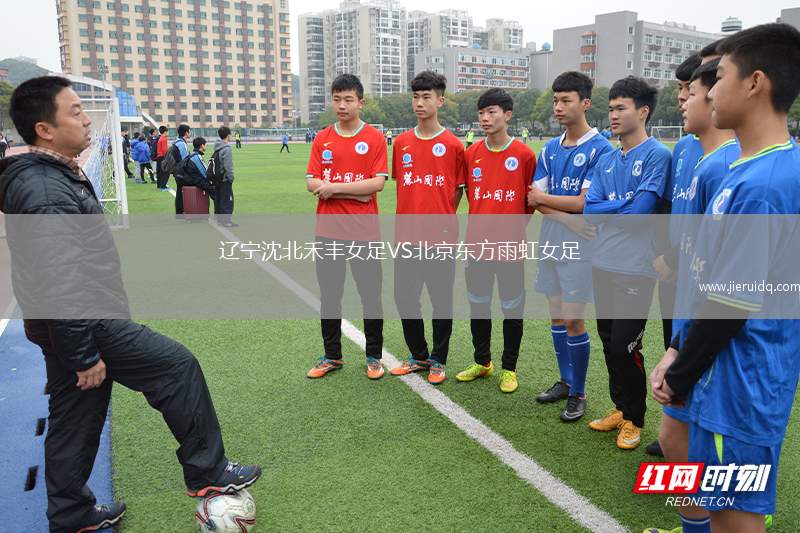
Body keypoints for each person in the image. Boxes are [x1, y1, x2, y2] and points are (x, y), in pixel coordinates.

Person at [0, 76, 261, 533]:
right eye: (75, 111)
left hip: (64, 323)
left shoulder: (49, 173)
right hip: (85, 321)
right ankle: (208, 473)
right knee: (177, 367)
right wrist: (83, 354)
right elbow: (59, 280)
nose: (86, 118)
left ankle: (71, 515)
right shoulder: (43, 191)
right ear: (45, 128)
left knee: (76, 416)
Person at [651, 23, 800, 533]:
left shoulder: (765, 181)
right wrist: (678, 348)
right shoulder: (745, 169)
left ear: (755, 83)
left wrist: (680, 373)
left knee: (733, 519)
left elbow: (731, 305)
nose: (709, 90)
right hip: (723, 375)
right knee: (712, 505)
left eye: (721, 77)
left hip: (739, 382)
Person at [643, 58, 740, 533]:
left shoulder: (735, 168)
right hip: (691, 318)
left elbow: (737, 282)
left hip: (718, 335)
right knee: (677, 438)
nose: (682, 98)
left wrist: (685, 348)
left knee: (705, 448)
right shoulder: (698, 156)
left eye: (694, 88)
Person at [582, 76, 671, 450]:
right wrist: (625, 204)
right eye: (611, 108)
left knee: (625, 345)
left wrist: (615, 209)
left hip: (636, 267)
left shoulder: (658, 155)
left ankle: (635, 417)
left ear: (643, 111)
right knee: (608, 341)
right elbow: (590, 209)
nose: (613, 115)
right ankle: (621, 407)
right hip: (603, 262)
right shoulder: (607, 157)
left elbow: (642, 215)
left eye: (621, 108)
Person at [528, 72, 614, 421]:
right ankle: (565, 381)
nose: (559, 107)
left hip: (580, 248)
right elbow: (534, 200)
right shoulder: (549, 149)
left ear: (585, 103)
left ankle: (579, 391)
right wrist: (566, 216)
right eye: (556, 100)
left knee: (575, 319)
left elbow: (584, 203)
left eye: (566, 100)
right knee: (557, 315)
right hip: (553, 240)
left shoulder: (601, 149)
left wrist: (557, 205)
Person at [304, 74, 388, 380]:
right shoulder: (322, 138)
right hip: (327, 232)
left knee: (371, 296)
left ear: (360, 102)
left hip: (364, 233)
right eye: (337, 98)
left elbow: (376, 183)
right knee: (330, 296)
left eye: (348, 99)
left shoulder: (375, 139)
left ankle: (374, 357)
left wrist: (334, 187)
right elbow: (312, 181)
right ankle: (332, 355)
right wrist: (355, 189)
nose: (342, 105)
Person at [388, 70, 466, 385]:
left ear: (440, 100)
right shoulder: (402, 142)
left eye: (426, 97)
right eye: (416, 97)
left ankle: (439, 359)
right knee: (404, 298)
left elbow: (458, 189)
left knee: (441, 301)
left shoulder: (453, 145)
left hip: (440, 240)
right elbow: (405, 187)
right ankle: (418, 356)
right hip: (406, 238)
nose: (419, 103)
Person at [456, 88, 536, 394]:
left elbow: (529, 205)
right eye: (481, 113)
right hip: (477, 247)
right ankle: (482, 362)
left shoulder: (525, 155)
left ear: (508, 115)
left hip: (510, 248)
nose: (486, 118)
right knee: (479, 306)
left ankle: (509, 369)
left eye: (492, 112)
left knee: (512, 309)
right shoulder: (471, 154)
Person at [212, 126, 237, 227]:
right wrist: (231, 178)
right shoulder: (226, 149)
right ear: (228, 135)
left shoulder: (217, 147)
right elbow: (228, 166)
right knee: (227, 200)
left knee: (219, 199)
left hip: (217, 178)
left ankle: (219, 220)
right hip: (224, 178)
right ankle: (226, 221)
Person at [172, 124, 192, 215]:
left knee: (180, 192)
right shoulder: (182, 144)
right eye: (189, 131)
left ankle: (180, 212)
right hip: (181, 172)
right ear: (186, 132)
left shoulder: (177, 141)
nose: (190, 133)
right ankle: (181, 212)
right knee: (181, 192)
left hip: (177, 171)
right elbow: (185, 160)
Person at [155, 125, 169, 190]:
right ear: (165, 132)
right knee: (165, 172)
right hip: (163, 157)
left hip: (159, 157)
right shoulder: (164, 138)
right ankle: (163, 185)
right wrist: (167, 157)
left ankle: (159, 185)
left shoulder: (160, 138)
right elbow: (164, 149)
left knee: (160, 172)